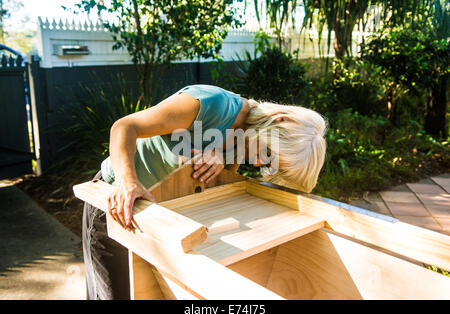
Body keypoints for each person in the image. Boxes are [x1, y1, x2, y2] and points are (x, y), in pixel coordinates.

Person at [82, 84, 327, 300]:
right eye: (269, 156)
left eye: (268, 166)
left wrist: (221, 158)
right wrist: (128, 182)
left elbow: (213, 174)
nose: (260, 165)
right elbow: (124, 127)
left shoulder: (246, 137)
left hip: (158, 219)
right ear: (280, 121)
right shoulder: (211, 104)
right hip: (115, 205)